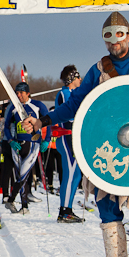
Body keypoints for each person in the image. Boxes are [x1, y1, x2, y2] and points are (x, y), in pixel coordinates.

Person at [22, 12, 129, 257]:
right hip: (106, 148)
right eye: (108, 36)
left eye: (119, 34)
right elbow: (75, 103)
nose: (114, 41)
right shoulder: (99, 69)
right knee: (107, 208)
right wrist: (44, 120)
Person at [3, 82, 49, 215]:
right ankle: (24, 206)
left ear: (28, 93)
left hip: (33, 144)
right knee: (19, 175)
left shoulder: (38, 105)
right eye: (16, 93)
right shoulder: (13, 107)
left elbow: (48, 123)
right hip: (17, 145)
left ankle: (11, 199)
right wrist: (10, 141)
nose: (18, 95)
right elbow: (6, 126)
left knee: (23, 175)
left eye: (21, 93)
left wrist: (46, 140)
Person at [53, 65, 84, 222]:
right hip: (67, 137)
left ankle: (68, 209)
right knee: (70, 174)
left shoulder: (72, 93)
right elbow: (69, 116)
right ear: (72, 78)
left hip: (73, 138)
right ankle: (64, 211)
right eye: (78, 78)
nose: (81, 80)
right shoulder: (65, 93)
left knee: (77, 174)